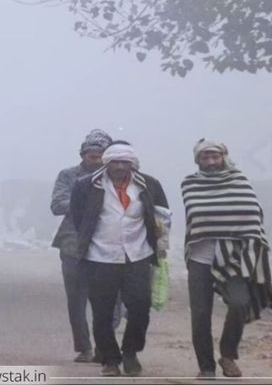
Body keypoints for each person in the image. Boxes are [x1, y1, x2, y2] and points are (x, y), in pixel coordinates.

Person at [181, 139, 272, 379]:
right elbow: (198, 216)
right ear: (198, 161)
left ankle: (228, 354)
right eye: (205, 157)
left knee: (239, 303)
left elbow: (252, 218)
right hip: (200, 258)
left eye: (215, 157)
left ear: (224, 157)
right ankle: (206, 367)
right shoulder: (190, 184)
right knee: (200, 314)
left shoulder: (241, 182)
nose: (211, 162)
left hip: (234, 259)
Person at [70, 140, 169, 376]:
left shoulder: (150, 185)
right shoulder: (87, 185)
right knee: (102, 312)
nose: (120, 166)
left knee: (139, 307)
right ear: (107, 162)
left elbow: (162, 216)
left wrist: (161, 244)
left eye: (125, 162)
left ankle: (131, 352)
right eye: (116, 161)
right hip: (100, 256)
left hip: (138, 255)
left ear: (132, 163)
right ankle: (110, 360)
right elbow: (79, 217)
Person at [51, 129, 126, 363]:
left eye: (99, 154)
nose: (94, 158)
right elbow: (57, 205)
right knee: (76, 298)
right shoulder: (68, 175)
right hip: (73, 243)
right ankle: (84, 347)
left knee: (111, 299)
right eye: (90, 154)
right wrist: (85, 199)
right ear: (82, 154)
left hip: (107, 243)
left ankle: (105, 344)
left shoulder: (118, 176)